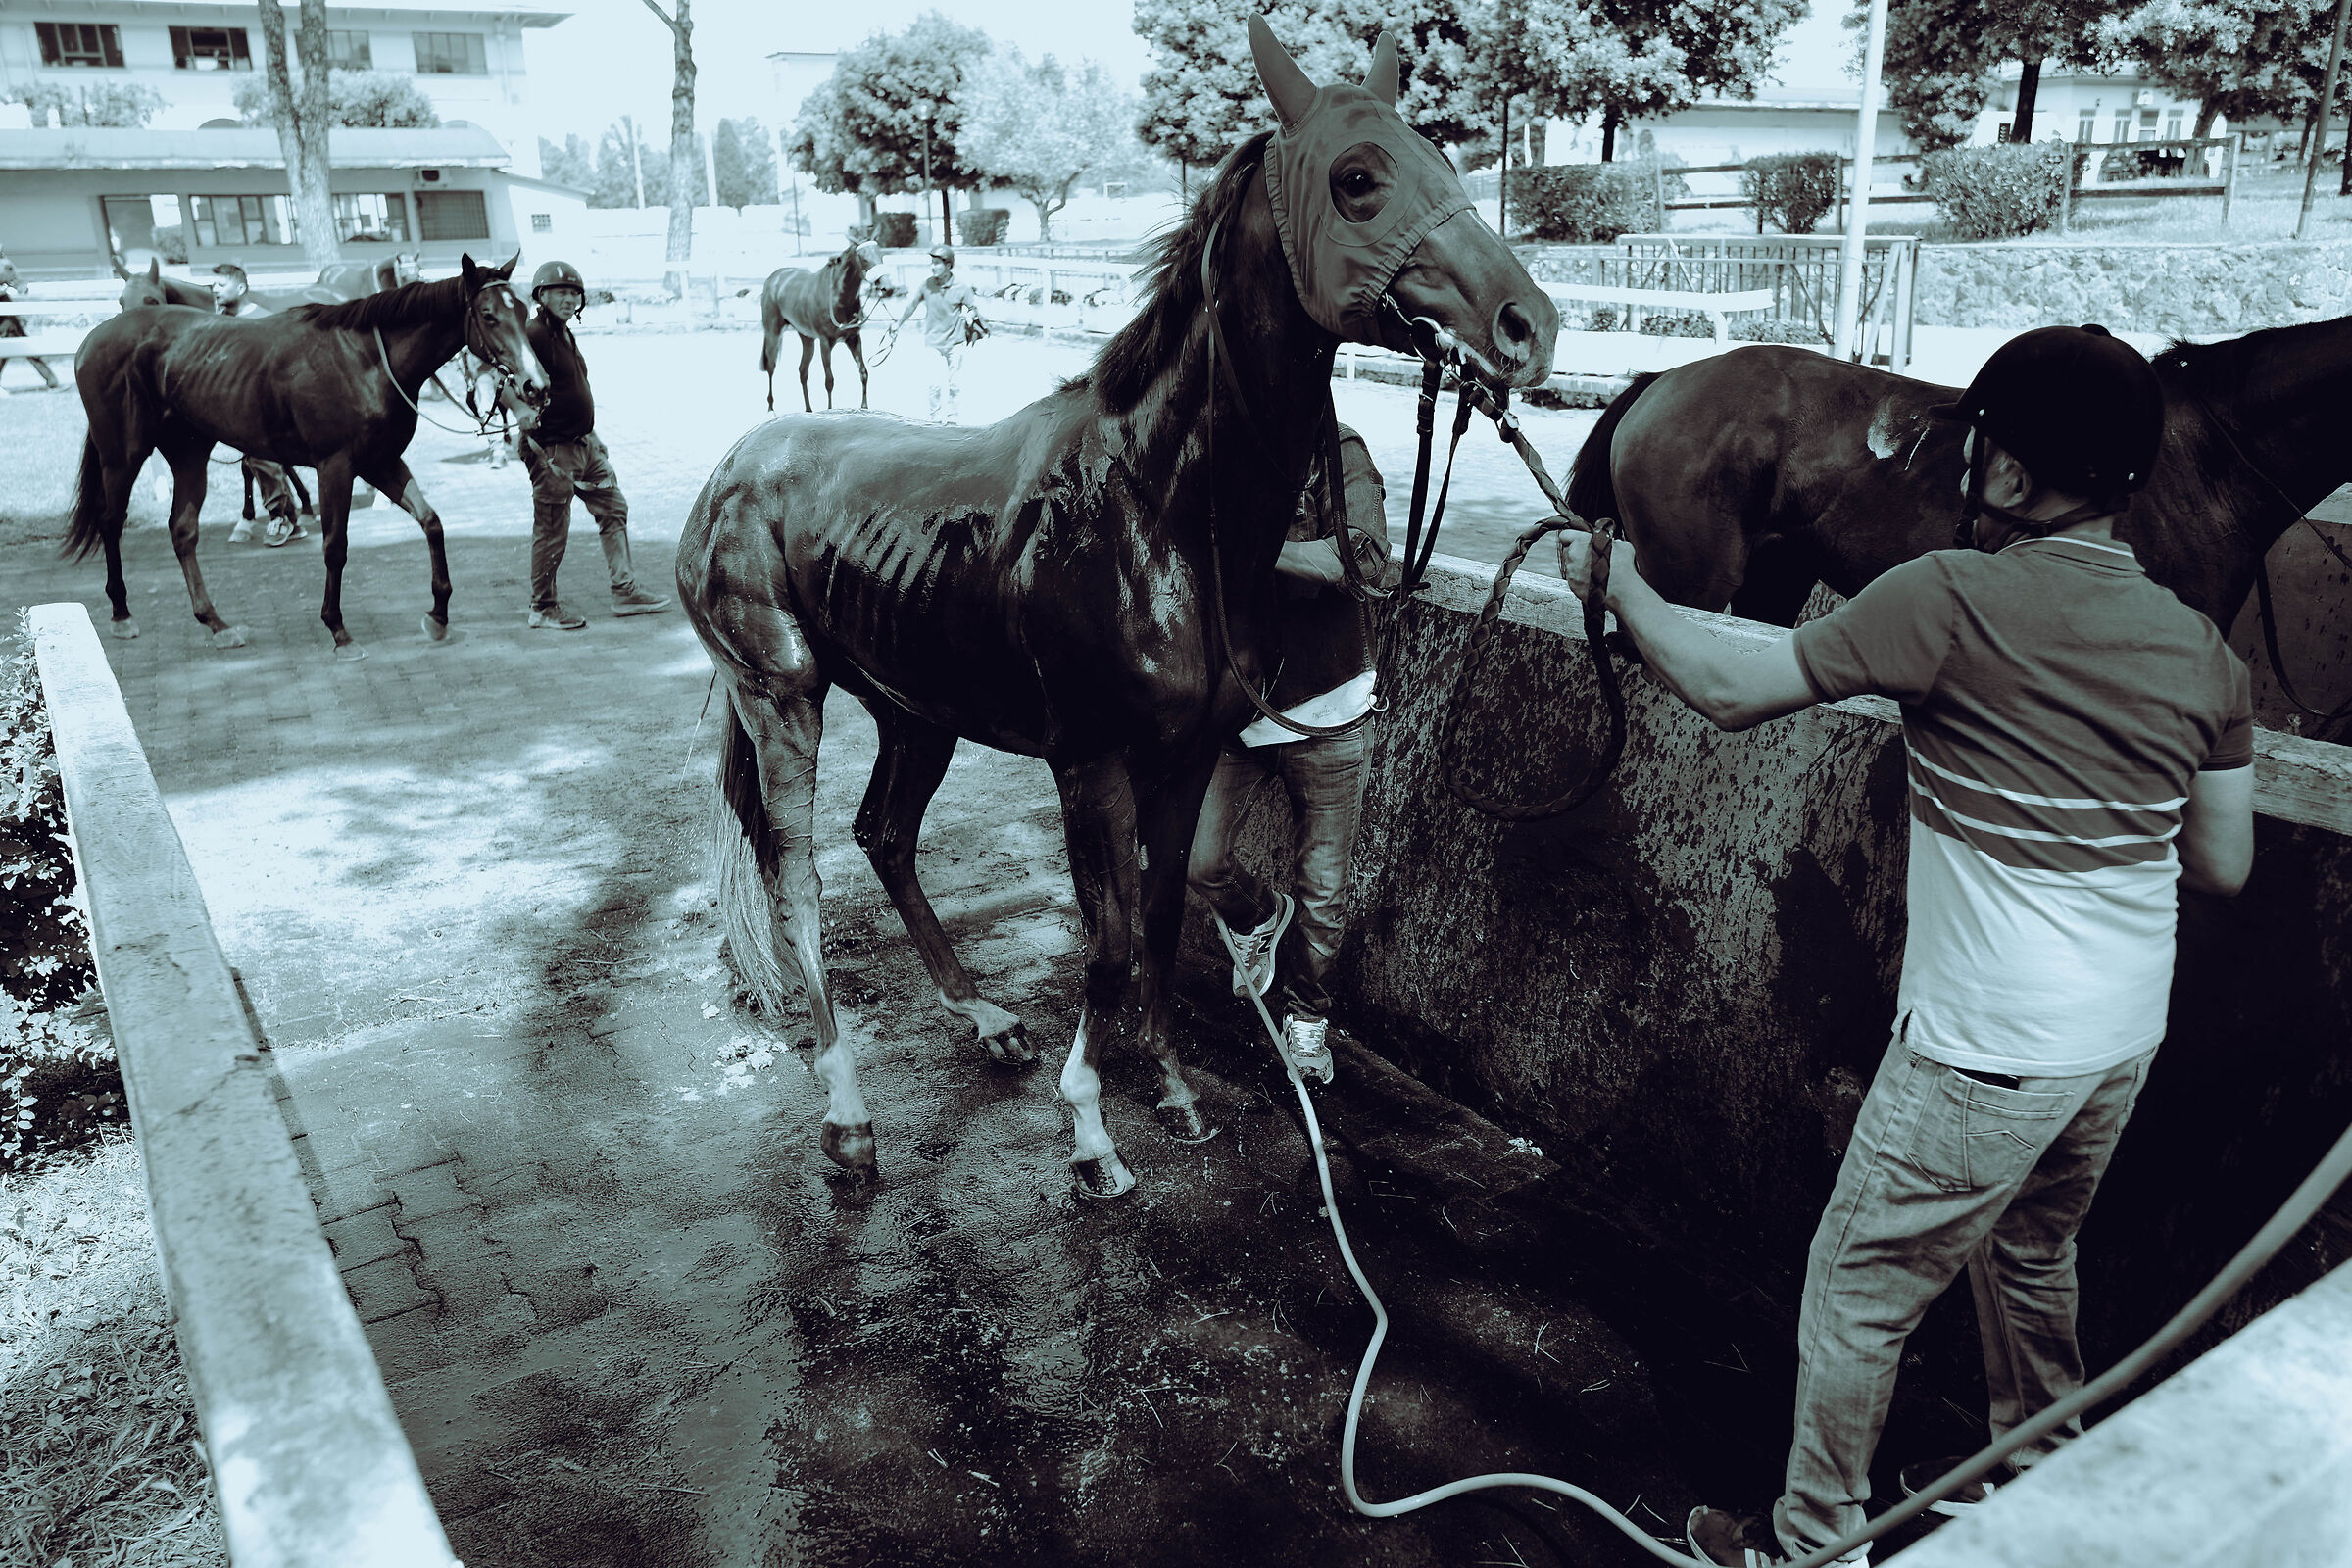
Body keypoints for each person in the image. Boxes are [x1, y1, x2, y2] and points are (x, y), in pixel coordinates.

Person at [1558, 325, 2256, 1568]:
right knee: (2033, 1252)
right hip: (2115, 1042)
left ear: (2011, 474)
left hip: (1989, 1046)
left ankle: (1809, 1542)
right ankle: (2034, 1482)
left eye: (1977, 444)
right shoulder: (2203, 648)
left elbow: (1729, 685)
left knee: (1858, 1287)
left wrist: (1618, 589)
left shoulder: (1950, 596)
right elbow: (2223, 862)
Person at [1188, 422, 1391, 1086]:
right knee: (1201, 861)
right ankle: (1258, 916)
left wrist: (1247, 546)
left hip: (1332, 712)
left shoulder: (1341, 453)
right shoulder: (1220, 453)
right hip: (1242, 711)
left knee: (1324, 892)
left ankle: (1308, 1022)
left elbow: (1361, 561)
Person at [519, 259, 669, 629]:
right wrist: (519, 412)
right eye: (560, 293)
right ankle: (542, 607)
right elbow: (503, 379)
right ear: (541, 295)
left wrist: (595, 437)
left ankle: (625, 590)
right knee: (553, 527)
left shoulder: (565, 334)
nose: (569, 299)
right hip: (553, 450)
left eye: (574, 293)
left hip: (585, 446)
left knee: (613, 508)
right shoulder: (533, 334)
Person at [894, 244, 981, 422]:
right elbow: (912, 306)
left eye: (937, 263)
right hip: (933, 341)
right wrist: (898, 323)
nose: (933, 267)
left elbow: (973, 308)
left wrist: (970, 315)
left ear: (948, 265)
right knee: (933, 385)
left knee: (955, 384)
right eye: (932, 263)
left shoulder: (962, 287)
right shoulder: (927, 285)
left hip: (955, 342)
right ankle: (933, 420)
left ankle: (952, 420)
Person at [0, 250, 62, 391]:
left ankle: (51, 381)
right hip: (5, 318)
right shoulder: (3, 265)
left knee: (23, 345)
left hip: (7, 315)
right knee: (19, 345)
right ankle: (51, 381)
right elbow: (13, 279)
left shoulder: (3, 263)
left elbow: (13, 280)